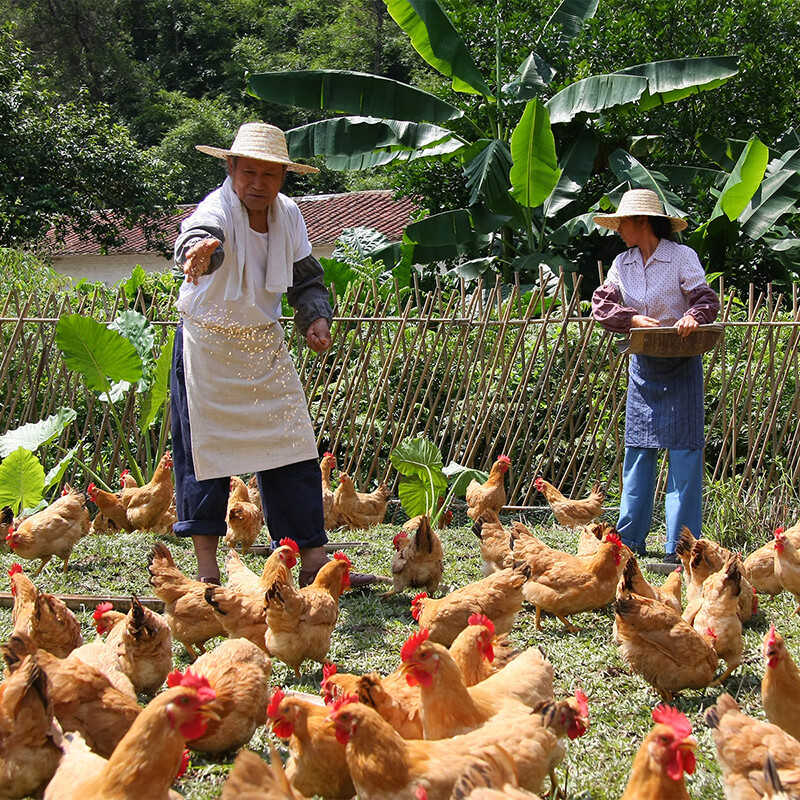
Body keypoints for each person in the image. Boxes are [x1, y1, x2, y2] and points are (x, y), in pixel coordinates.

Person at [170, 121, 375, 587]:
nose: (258, 185)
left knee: (294, 447)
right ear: (232, 168)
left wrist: (315, 318)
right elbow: (201, 236)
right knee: (204, 453)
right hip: (208, 345)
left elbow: (305, 277)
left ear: (283, 177)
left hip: (262, 341)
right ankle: (206, 572)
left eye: (270, 175)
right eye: (249, 174)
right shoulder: (216, 207)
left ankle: (313, 561)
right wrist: (198, 253)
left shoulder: (289, 215)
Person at [591, 188, 720, 564]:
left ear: (642, 222)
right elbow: (602, 304)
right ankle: (629, 540)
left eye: (622, 223)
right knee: (638, 454)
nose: (618, 230)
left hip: (681, 364)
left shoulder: (681, 256)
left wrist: (691, 317)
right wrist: (629, 319)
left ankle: (678, 547)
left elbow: (706, 299)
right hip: (644, 366)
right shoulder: (623, 263)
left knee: (683, 455)